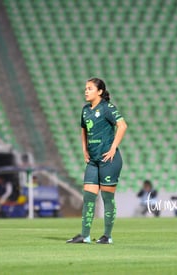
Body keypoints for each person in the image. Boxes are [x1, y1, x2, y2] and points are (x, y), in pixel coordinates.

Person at [67, 77, 127, 244]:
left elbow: (122, 125)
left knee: (107, 198)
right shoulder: (85, 110)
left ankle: (107, 236)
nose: (86, 91)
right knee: (88, 197)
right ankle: (85, 235)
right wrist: (84, 149)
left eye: (90, 88)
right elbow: (83, 130)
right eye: (85, 88)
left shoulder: (107, 108)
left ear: (100, 91)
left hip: (109, 160)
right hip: (93, 160)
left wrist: (113, 147)